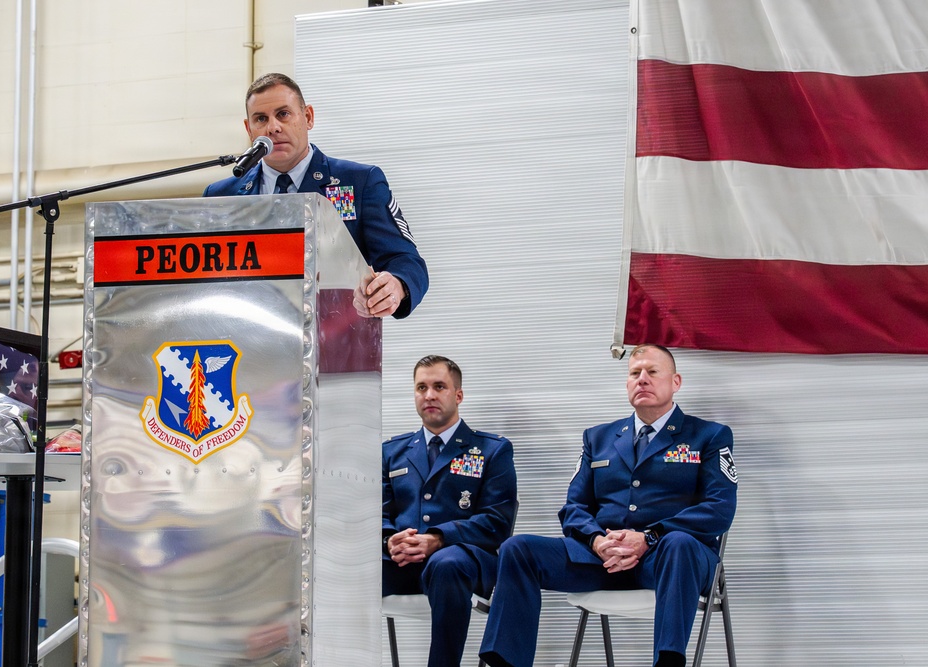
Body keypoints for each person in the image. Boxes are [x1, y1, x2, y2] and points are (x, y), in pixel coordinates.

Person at [479, 344, 737, 667]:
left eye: (652, 372)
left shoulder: (709, 436)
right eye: (634, 373)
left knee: (679, 544)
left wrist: (649, 537)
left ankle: (668, 663)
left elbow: (719, 508)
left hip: (669, 561)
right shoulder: (598, 438)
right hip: (603, 559)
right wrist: (597, 541)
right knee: (518, 550)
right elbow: (574, 507)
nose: (642, 379)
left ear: (676, 382)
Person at [203, 72, 428, 319]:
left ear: (308, 117)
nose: (273, 127)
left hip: (334, 332)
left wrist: (397, 284)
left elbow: (405, 260)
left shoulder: (358, 182)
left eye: (283, 114)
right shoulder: (221, 196)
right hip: (246, 333)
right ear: (249, 129)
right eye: (261, 119)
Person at [383, 355, 518, 667]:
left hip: (463, 561)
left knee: (447, 564)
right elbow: (377, 513)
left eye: (439, 386)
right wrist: (389, 541)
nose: (429, 395)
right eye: (421, 387)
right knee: (344, 572)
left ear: (458, 395)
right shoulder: (392, 452)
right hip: (402, 562)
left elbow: (497, 521)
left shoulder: (492, 450)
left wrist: (438, 538)